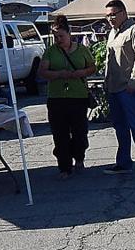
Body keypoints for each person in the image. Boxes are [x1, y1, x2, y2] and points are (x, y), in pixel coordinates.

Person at [38, 15, 96, 179]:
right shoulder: (51, 51)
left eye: (61, 36)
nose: (58, 40)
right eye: (55, 37)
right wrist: (58, 74)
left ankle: (79, 157)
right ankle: (64, 166)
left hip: (78, 97)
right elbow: (42, 72)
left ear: (69, 34)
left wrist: (81, 72)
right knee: (60, 134)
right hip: (56, 98)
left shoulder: (82, 50)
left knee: (80, 132)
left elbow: (92, 68)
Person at [101, 0, 135, 181]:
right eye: (107, 16)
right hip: (113, 87)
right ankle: (123, 162)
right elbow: (109, 60)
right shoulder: (112, 33)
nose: (110, 18)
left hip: (129, 87)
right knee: (120, 127)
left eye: (113, 14)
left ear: (123, 13)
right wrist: (106, 80)